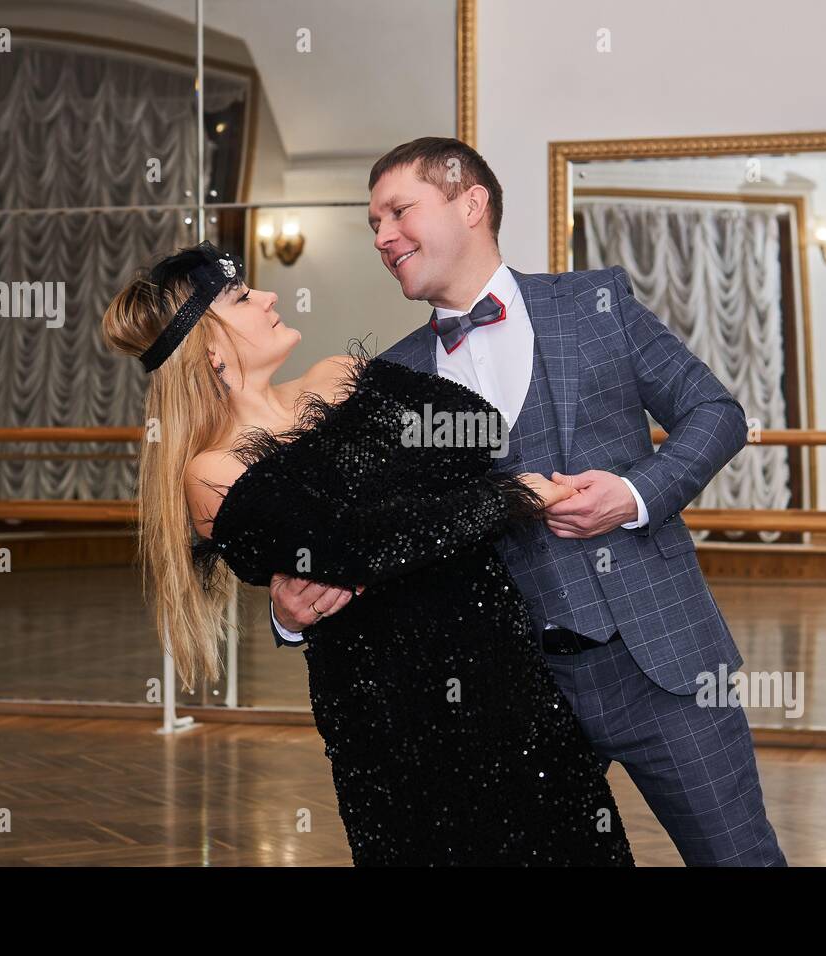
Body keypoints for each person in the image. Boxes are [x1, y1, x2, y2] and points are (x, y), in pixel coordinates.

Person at [271, 137, 787, 866]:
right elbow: (378, 539)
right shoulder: (390, 378)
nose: (383, 237)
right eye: (373, 225)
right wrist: (291, 613)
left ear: (470, 202)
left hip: (664, 667)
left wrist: (637, 493)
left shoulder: (594, 304)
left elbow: (716, 412)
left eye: (396, 211)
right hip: (508, 697)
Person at [101, 240, 634, 866]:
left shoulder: (336, 376)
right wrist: (509, 496)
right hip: (391, 717)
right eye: (243, 297)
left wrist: (381, 523)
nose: (269, 296)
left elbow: (476, 430)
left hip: (506, 674)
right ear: (209, 348)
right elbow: (351, 548)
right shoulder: (209, 473)